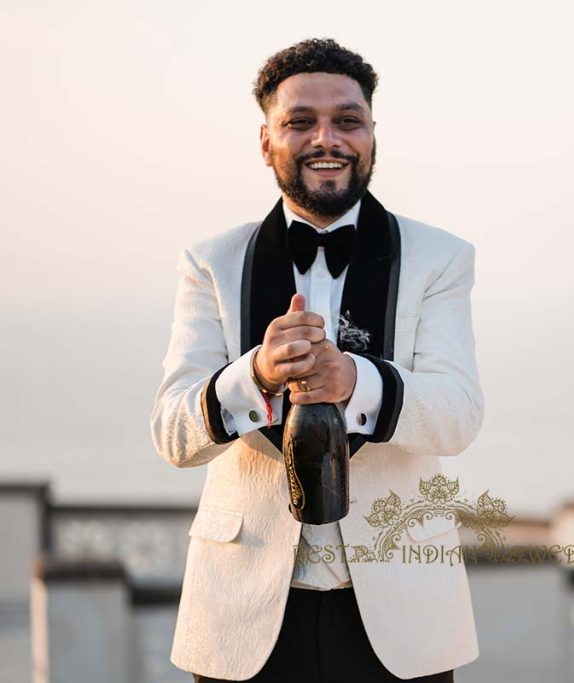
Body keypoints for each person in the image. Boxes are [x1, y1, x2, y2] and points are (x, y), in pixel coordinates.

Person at [151, 38, 483, 682]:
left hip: (403, 615)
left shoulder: (441, 257)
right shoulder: (209, 263)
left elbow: (459, 417)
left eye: (347, 120)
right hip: (241, 617)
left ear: (371, 135)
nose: (326, 138)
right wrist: (254, 376)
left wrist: (355, 381)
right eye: (300, 121)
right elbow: (171, 433)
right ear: (266, 139)